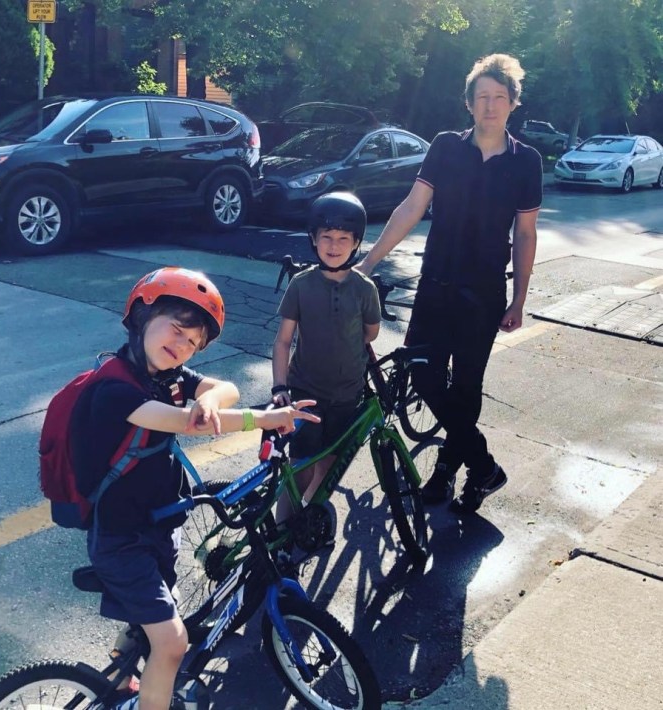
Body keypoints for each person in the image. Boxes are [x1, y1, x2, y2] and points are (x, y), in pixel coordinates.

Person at [70, 267, 320, 710]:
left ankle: (125, 669)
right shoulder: (113, 387)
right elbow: (190, 424)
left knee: (157, 610)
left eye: (194, 342)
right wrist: (263, 418)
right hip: (121, 538)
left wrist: (208, 396)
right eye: (177, 328)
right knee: (172, 644)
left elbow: (226, 387)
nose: (182, 345)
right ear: (142, 315)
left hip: (158, 524)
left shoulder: (164, 374)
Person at [358, 53, 541, 514]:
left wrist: (519, 298)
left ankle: (447, 470)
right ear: (468, 103)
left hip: (482, 294)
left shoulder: (527, 162)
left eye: (500, 97)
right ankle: (484, 466)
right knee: (423, 375)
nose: (490, 105)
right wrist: (367, 262)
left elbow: (524, 233)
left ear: (513, 104)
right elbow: (411, 207)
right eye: (482, 97)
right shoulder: (445, 147)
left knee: (466, 388)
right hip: (435, 284)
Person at [272, 192, 381, 522]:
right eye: (327, 238)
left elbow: (371, 333)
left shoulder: (364, 288)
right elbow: (282, 342)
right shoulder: (302, 286)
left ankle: (310, 512)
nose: (334, 246)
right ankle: (282, 527)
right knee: (300, 463)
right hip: (306, 392)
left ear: (356, 242)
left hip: (347, 393)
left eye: (343, 239)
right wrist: (280, 387)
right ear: (314, 240)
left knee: (332, 461)